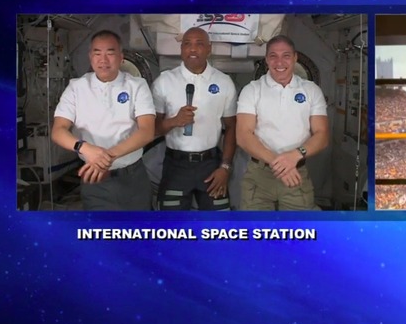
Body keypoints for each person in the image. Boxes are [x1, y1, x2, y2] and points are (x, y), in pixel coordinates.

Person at [51, 30, 155, 210]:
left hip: (133, 178)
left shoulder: (137, 86)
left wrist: (105, 157)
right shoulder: (76, 88)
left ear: (121, 57)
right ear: (90, 57)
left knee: (140, 232)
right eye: (97, 53)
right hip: (94, 179)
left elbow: (147, 131)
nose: (103, 60)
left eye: (110, 53)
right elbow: (58, 130)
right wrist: (84, 148)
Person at [236, 35, 329, 210]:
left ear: (295, 58)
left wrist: (294, 156)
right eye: (273, 56)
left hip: (296, 175)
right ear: (266, 60)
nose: (279, 62)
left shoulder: (311, 90)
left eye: (286, 55)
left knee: (299, 234)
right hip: (259, 176)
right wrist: (280, 164)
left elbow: (322, 135)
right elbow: (243, 135)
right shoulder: (252, 90)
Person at [151, 27, 237, 210]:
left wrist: (225, 168)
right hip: (176, 166)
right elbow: (152, 129)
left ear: (209, 48)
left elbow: (232, 127)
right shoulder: (164, 81)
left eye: (199, 44)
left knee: (218, 228)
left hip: (211, 165)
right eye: (187, 44)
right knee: (172, 230)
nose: (192, 49)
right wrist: (174, 121)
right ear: (181, 49)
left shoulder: (223, 82)